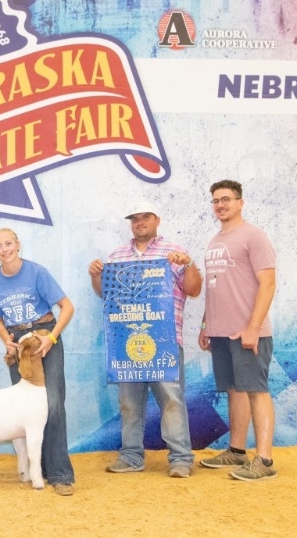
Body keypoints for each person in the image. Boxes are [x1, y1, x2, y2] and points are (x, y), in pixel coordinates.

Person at [88, 201, 202, 478]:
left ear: (156, 220)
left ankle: (181, 458)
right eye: (134, 218)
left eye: (145, 217)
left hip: (165, 339)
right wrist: (96, 276)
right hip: (127, 343)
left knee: (172, 400)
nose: (140, 222)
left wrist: (189, 264)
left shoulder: (174, 252)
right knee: (129, 402)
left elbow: (194, 289)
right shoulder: (116, 256)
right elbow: (106, 294)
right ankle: (130, 456)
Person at [0, 228, 76, 496]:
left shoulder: (37, 272)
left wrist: (52, 339)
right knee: (24, 410)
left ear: (18, 244)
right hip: (19, 344)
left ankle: (59, 473)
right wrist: (5, 340)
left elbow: (67, 307)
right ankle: (35, 470)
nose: (5, 249)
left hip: (45, 335)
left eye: (9, 243)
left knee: (53, 404)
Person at [198, 180, 277, 481]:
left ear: (240, 203)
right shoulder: (215, 240)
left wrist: (253, 327)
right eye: (216, 200)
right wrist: (206, 324)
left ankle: (265, 461)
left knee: (257, 391)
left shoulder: (254, 236)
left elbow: (268, 283)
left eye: (226, 199)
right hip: (220, 332)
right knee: (235, 390)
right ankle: (236, 450)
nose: (221, 205)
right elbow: (216, 287)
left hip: (247, 332)